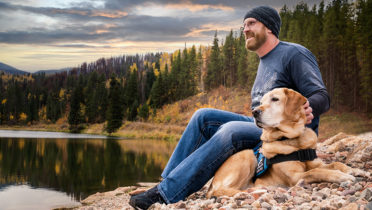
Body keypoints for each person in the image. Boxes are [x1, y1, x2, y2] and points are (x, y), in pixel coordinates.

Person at [130, 5, 329, 209]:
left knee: (231, 131)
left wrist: (306, 107)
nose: (245, 29)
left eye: (251, 23)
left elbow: (321, 95)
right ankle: (166, 183)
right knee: (203, 116)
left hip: (288, 135)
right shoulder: (264, 62)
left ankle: (166, 194)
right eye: (243, 25)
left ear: (269, 27)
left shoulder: (294, 54)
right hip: (262, 127)